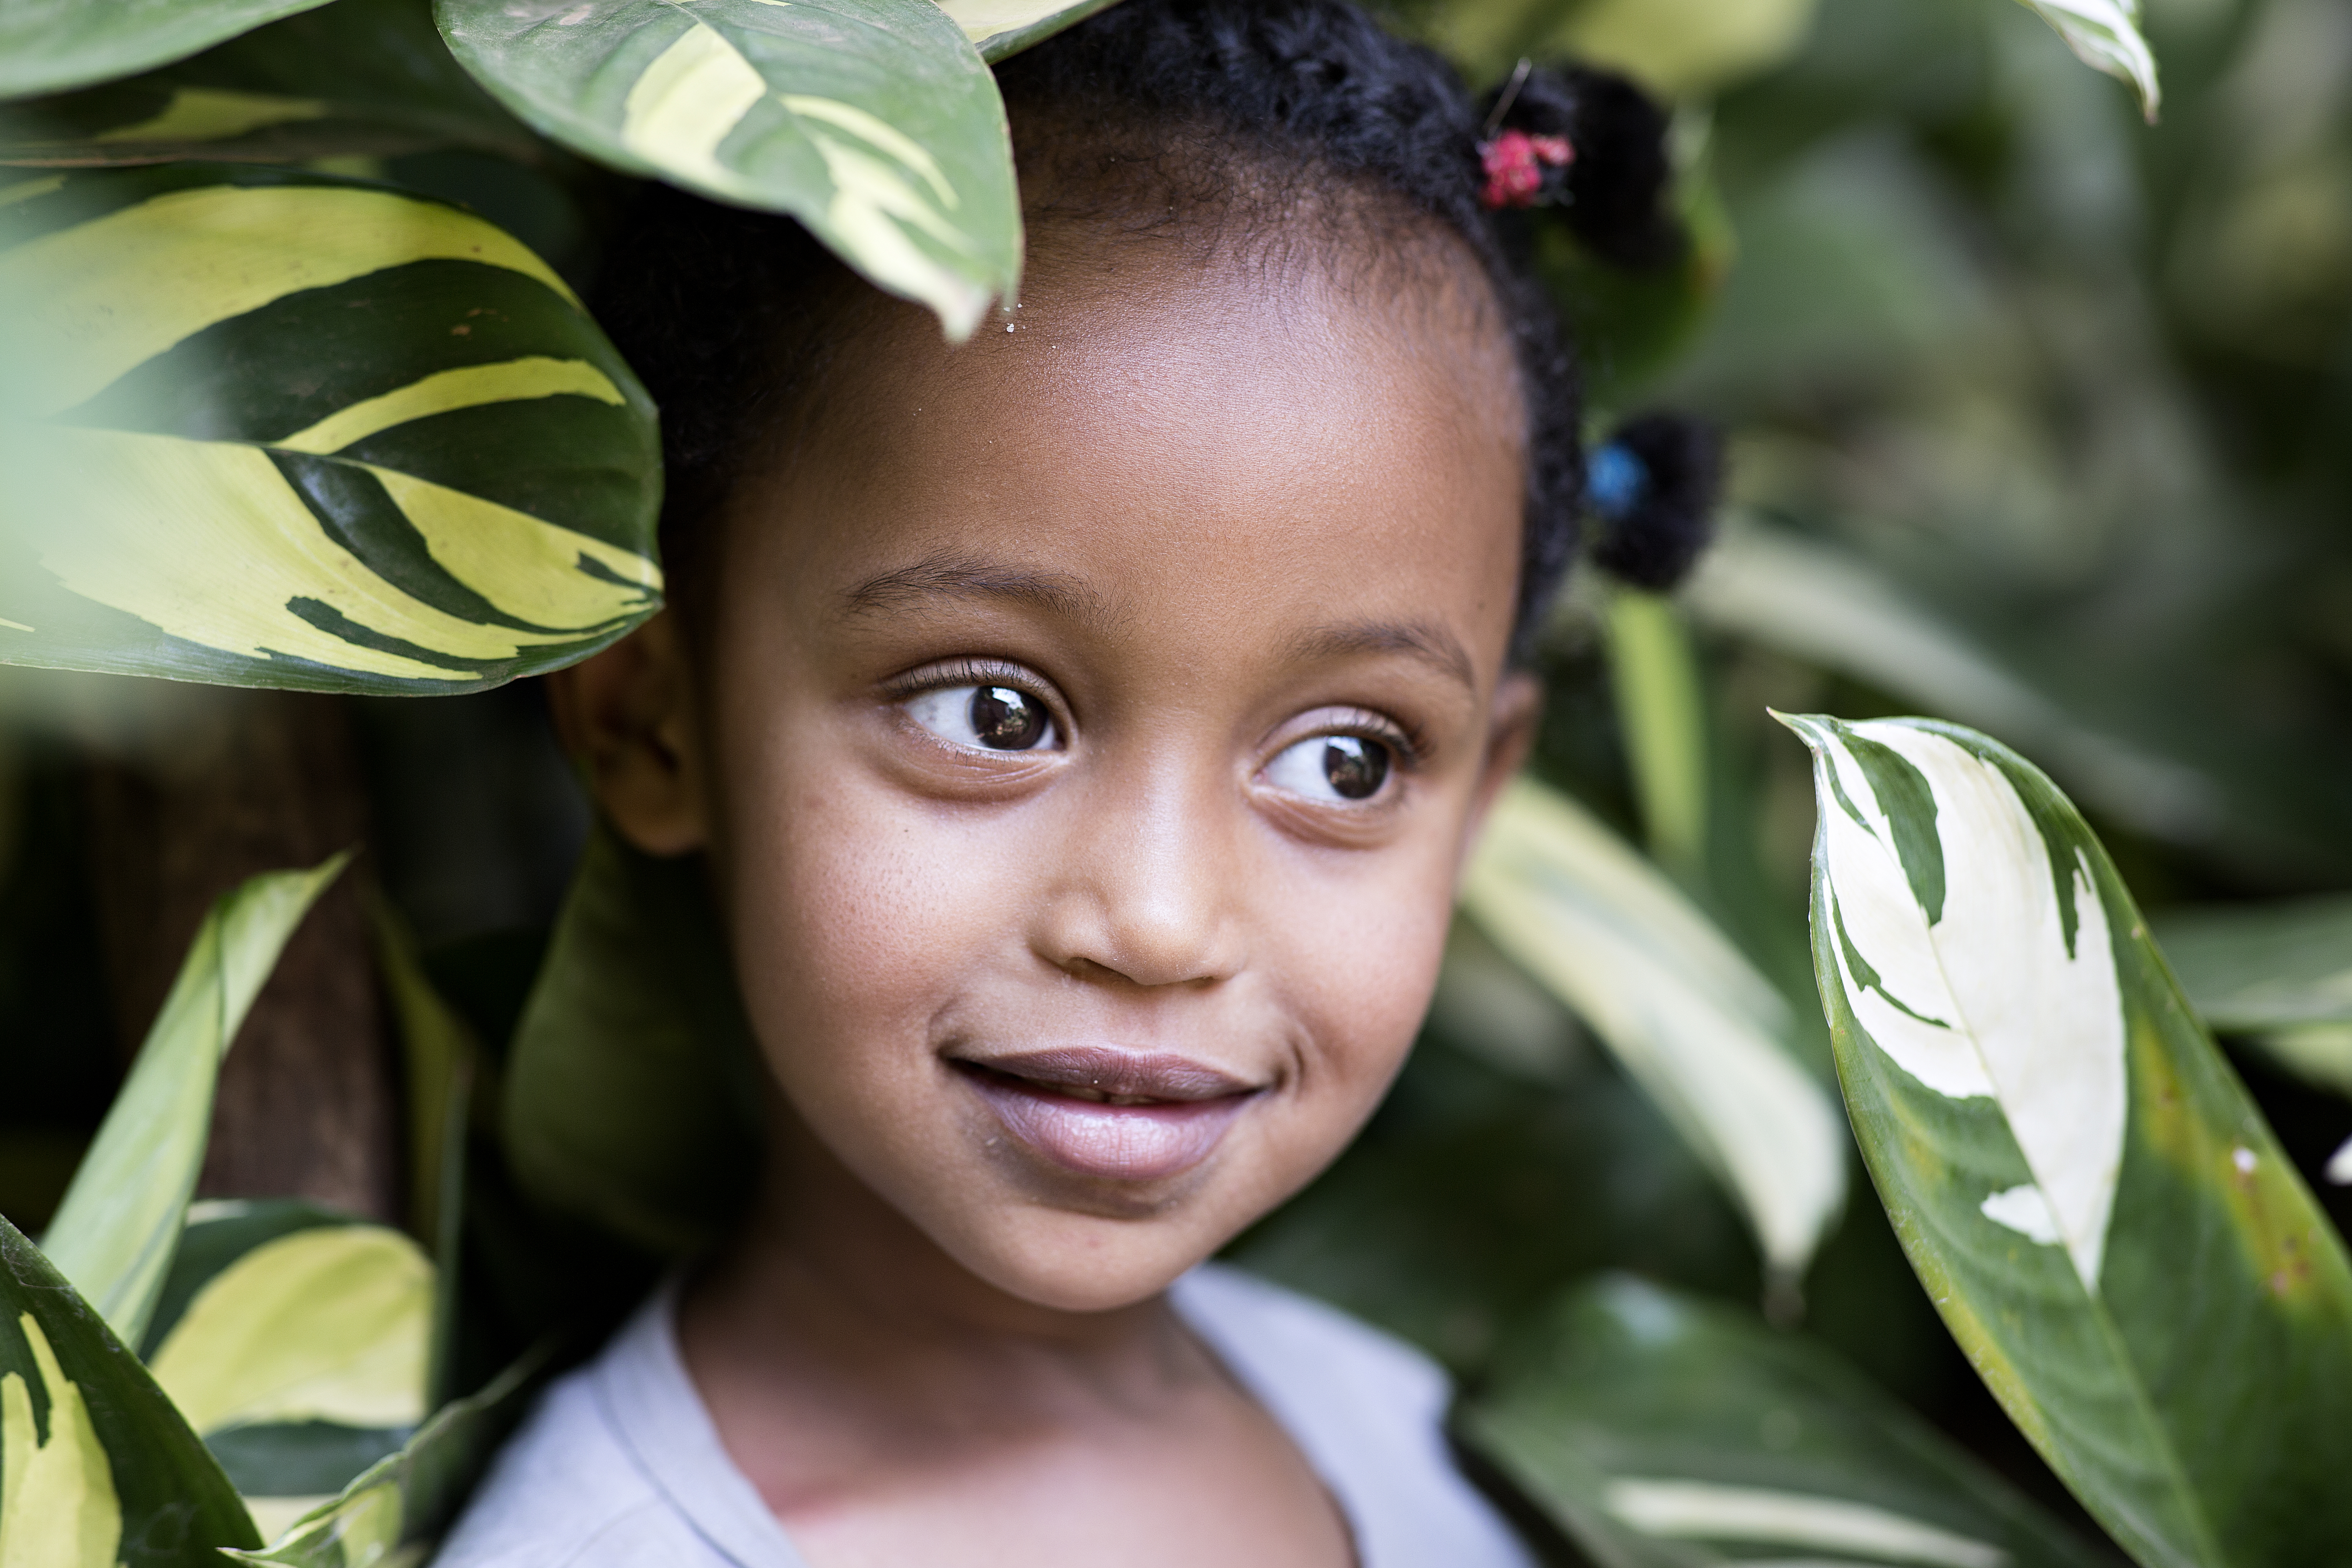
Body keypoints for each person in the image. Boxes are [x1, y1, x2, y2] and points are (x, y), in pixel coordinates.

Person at [437, 1, 1716, 1562]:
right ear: (652, 721)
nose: (1163, 923)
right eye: (991, 713)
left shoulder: (1422, 1456)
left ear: (1481, 794)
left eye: (1347, 759)